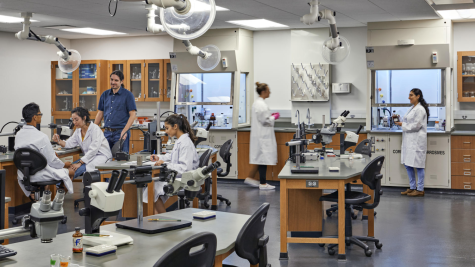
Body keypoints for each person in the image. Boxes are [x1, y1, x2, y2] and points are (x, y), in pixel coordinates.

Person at [15, 103, 74, 199]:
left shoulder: (18, 135)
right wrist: (64, 165)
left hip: (24, 174)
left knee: (47, 179)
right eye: (40, 114)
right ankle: (57, 202)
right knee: (71, 171)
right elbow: (52, 161)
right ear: (35, 117)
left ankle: (37, 198)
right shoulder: (42, 137)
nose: (40, 116)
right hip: (40, 174)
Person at [144, 114, 199, 214]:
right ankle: (160, 218)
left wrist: (165, 164)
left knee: (152, 189)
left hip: (183, 178)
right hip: (178, 175)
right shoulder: (180, 141)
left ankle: (162, 218)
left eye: (167, 128)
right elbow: (172, 156)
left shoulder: (185, 143)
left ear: (175, 127)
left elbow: (185, 168)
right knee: (151, 188)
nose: (166, 131)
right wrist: (159, 157)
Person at [53, 107, 112, 179]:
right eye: (73, 120)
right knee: (70, 168)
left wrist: (80, 163)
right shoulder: (78, 130)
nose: (74, 122)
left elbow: (94, 150)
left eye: (76, 119)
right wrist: (58, 141)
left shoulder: (95, 129)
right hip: (88, 158)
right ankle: (60, 186)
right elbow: (69, 143)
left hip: (101, 156)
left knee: (74, 170)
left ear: (84, 118)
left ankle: (59, 185)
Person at [244, 82, 279, 190]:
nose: (270, 92)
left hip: (260, 135)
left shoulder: (258, 103)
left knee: (260, 159)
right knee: (262, 159)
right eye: (268, 91)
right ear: (263, 92)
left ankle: (251, 178)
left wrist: (270, 116)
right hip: (263, 136)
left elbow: (263, 118)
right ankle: (263, 183)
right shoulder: (261, 104)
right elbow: (265, 120)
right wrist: (274, 117)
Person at [395, 88, 429, 197]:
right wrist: (399, 119)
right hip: (409, 140)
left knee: (418, 165)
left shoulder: (420, 109)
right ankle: (412, 187)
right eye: (409, 95)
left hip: (417, 141)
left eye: (411, 95)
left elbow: (416, 125)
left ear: (418, 96)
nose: (409, 97)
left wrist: (401, 125)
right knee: (407, 164)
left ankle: (420, 189)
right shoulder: (412, 108)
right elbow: (409, 121)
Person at [95, 70, 137, 154]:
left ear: (122, 81)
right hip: (107, 132)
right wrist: (93, 129)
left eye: (116, 80)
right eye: (111, 79)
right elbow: (100, 114)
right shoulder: (104, 94)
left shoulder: (128, 95)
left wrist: (124, 131)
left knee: (121, 160)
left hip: (121, 132)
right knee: (104, 158)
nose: (113, 82)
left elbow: (133, 115)